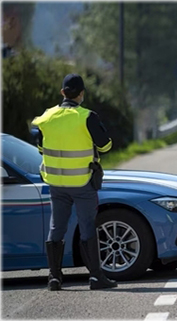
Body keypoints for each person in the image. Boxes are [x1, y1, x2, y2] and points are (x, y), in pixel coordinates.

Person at [31, 74, 117, 291]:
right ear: (82, 94)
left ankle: (54, 278)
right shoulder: (87, 117)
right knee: (87, 226)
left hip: (56, 183)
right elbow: (106, 146)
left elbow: (41, 148)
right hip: (82, 182)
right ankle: (96, 277)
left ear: (62, 93)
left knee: (56, 227)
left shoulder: (47, 117)